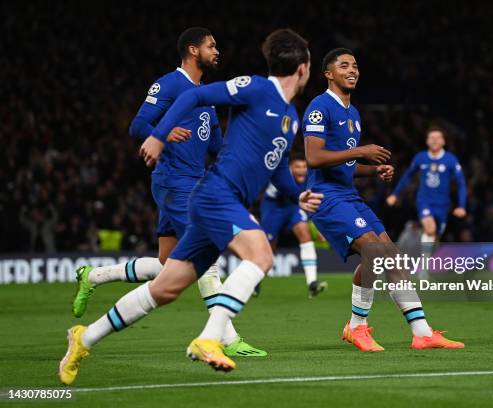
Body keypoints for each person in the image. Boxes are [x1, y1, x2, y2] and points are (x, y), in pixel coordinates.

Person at [59, 29, 321, 383]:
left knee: (165, 288)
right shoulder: (257, 87)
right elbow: (192, 98)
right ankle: (212, 338)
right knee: (260, 254)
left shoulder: (292, 118)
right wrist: (157, 134)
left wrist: (298, 196)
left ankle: (83, 338)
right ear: (303, 69)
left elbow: (275, 169)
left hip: (219, 198)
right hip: (216, 193)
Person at [70, 27, 265, 357]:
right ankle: (225, 339)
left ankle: (95, 276)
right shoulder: (169, 84)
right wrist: (163, 131)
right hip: (174, 181)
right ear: (193, 50)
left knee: (168, 264)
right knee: (207, 253)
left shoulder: (206, 95)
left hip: (193, 181)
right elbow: (137, 125)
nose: (218, 51)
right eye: (211, 46)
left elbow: (217, 145)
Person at [303, 48, 464, 352]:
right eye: (344, 65)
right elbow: (314, 157)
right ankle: (356, 327)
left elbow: (345, 166)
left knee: (392, 256)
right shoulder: (319, 106)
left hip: (348, 195)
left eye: (356, 66)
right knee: (375, 251)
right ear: (328, 73)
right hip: (325, 197)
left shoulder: (353, 112)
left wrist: (372, 170)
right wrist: (361, 151)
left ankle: (422, 332)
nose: (353, 70)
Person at [259, 155, 327, 297]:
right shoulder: (282, 179)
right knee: (269, 247)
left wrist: (320, 226)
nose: (302, 170)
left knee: (305, 235)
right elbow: (282, 194)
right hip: (274, 208)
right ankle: (255, 281)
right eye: (298, 167)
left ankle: (312, 283)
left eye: (304, 167)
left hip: (293, 206)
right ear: (290, 168)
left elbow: (310, 201)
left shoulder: (309, 178)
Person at [386, 128, 467, 244]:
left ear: (444, 141)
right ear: (427, 141)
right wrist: (395, 194)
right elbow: (407, 176)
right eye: (431, 138)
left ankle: (429, 255)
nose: (434, 140)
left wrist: (462, 206)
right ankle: (425, 261)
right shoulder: (421, 157)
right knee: (430, 228)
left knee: (435, 236)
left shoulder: (451, 160)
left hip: (443, 205)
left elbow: (461, 183)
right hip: (424, 201)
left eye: (438, 138)